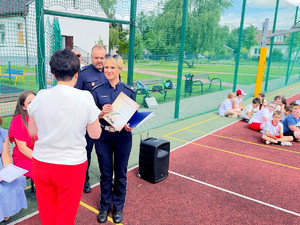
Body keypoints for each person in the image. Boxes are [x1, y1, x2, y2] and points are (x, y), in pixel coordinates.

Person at [27, 49, 102, 225]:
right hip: (71, 166)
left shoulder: (41, 96)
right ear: (76, 74)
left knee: (47, 213)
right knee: (65, 216)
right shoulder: (85, 97)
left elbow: (32, 132)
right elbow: (95, 134)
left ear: (53, 74)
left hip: (42, 163)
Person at [92, 53, 135, 224]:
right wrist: (101, 113)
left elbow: (132, 116)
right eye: (106, 67)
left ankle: (118, 207)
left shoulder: (129, 91)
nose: (108, 70)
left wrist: (130, 125)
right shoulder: (97, 91)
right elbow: (92, 116)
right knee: (105, 173)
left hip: (123, 137)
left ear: (119, 69)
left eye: (112, 67)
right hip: (103, 136)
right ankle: (104, 206)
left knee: (121, 173)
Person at [75, 44, 107, 193]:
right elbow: (76, 96)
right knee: (85, 152)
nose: (99, 60)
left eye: (102, 57)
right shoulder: (84, 74)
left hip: (106, 122)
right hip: (88, 123)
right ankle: (84, 180)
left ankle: (105, 178)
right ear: (91, 58)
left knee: (104, 154)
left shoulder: (110, 71)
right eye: (96, 58)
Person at [0, 116, 27, 223]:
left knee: (18, 180)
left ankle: (6, 211)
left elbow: (5, 156)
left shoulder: (3, 133)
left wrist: (8, 173)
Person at [8, 91, 37, 179]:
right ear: (23, 107)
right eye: (30, 103)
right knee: (44, 171)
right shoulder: (18, 121)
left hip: (41, 154)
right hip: (25, 158)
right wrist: (41, 159)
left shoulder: (41, 117)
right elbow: (23, 148)